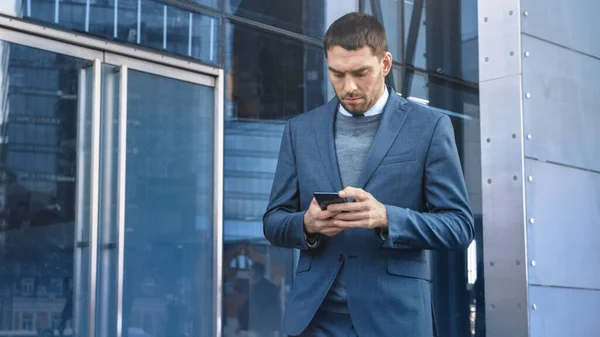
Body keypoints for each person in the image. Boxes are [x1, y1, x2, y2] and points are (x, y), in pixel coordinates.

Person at [262, 12, 474, 337]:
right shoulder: (299, 130)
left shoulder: (428, 127)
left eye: (361, 73)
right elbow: (274, 221)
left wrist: (387, 217)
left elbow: (459, 227)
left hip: (393, 319)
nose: (348, 87)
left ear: (385, 64)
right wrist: (307, 224)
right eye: (337, 74)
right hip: (315, 319)